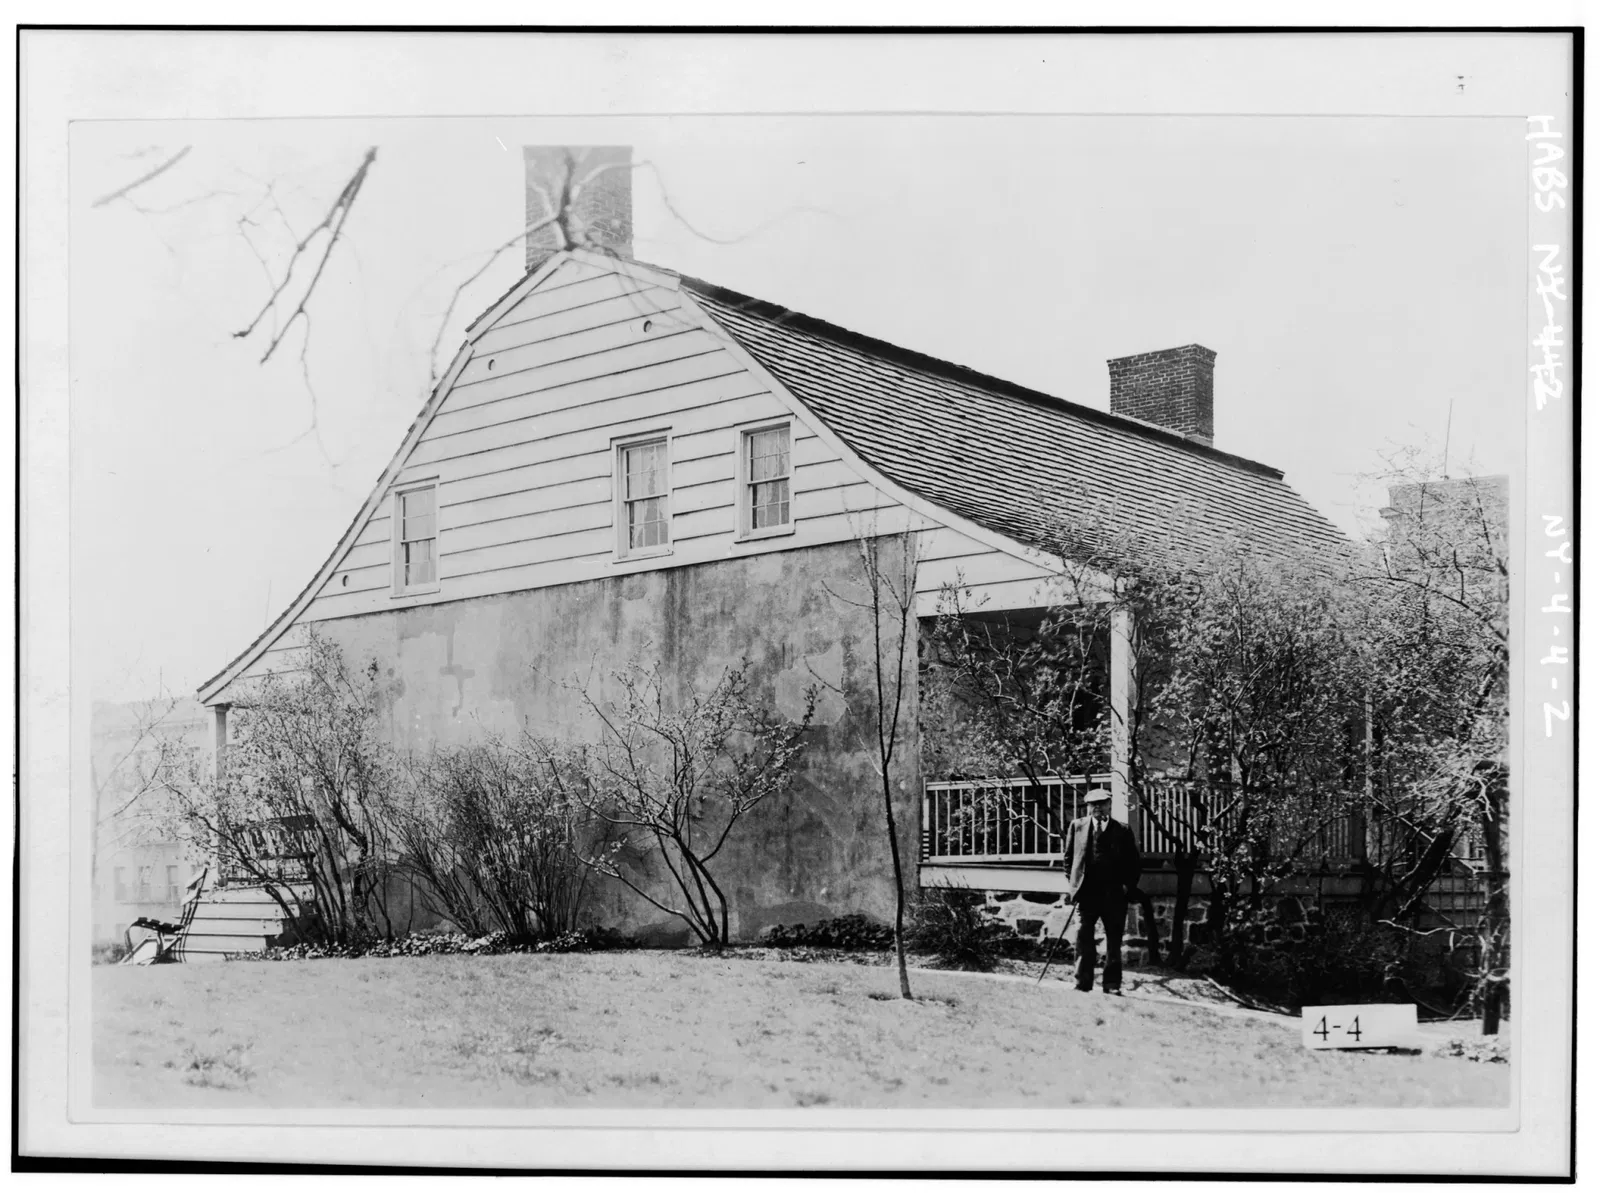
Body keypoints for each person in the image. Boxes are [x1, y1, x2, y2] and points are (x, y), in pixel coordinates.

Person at [1060, 789, 1142, 994]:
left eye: (1102, 803)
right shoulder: (1077, 826)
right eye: (1093, 804)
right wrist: (1075, 884)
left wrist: (1126, 886)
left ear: (1109, 805)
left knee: (1114, 941)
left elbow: (1133, 863)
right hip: (1086, 895)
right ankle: (1082, 982)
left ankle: (1112, 985)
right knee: (1083, 937)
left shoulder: (1122, 830)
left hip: (1113, 895)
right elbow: (1068, 859)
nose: (1097, 807)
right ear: (1088, 806)